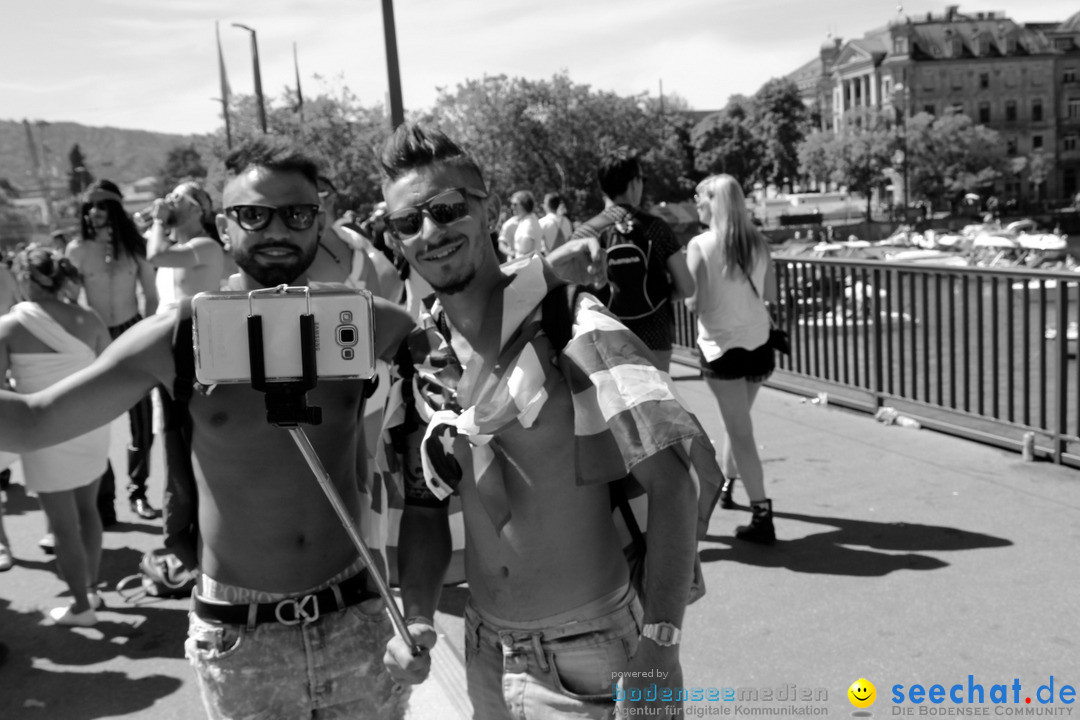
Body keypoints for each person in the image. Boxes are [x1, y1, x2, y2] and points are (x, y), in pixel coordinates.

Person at [0, 137, 415, 719]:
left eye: (296, 214)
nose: (276, 229)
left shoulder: (361, 322)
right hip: (241, 638)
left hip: (356, 616)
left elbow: (467, 368)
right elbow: (34, 420)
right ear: (224, 226)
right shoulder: (176, 337)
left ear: (317, 223)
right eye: (253, 214)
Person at [379, 124, 703, 719]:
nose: (431, 233)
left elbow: (674, 478)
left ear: (488, 210)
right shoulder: (421, 353)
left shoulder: (570, 317)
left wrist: (662, 643)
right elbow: (425, 507)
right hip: (485, 651)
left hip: (595, 654)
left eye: (447, 209)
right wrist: (419, 617)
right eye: (408, 223)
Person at [0, 247, 112, 623]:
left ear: (27, 279)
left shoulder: (9, 327)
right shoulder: (89, 318)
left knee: (63, 527)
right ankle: (92, 591)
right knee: (88, 511)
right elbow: (109, 372)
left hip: (43, 432)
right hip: (90, 424)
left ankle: (81, 607)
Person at [685, 174, 777, 544]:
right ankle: (728, 487)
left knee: (739, 428)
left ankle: (762, 514)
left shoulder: (700, 245)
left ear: (713, 201)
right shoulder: (759, 243)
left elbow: (698, 303)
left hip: (721, 349)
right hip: (758, 345)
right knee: (738, 424)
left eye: (699, 197)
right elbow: (769, 294)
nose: (696, 203)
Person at [551, 147, 694, 372]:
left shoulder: (584, 234)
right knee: (658, 402)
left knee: (609, 405)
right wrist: (660, 295)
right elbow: (687, 287)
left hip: (604, 338)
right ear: (634, 182)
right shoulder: (657, 229)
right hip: (654, 338)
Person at [67, 180, 160, 523]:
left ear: (115, 210)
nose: (94, 213)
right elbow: (69, 301)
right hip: (93, 339)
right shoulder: (77, 250)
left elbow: (150, 296)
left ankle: (139, 491)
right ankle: (102, 500)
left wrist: (147, 335)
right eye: (89, 207)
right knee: (91, 421)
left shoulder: (135, 247)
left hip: (131, 332)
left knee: (141, 422)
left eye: (102, 206)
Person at [146, 180, 226, 306]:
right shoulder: (173, 249)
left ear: (197, 210)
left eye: (177, 198)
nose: (169, 202)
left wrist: (159, 221)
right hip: (167, 323)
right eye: (170, 196)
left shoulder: (208, 246)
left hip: (189, 325)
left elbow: (155, 256)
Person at [497, 190, 543, 260]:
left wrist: (514, 254)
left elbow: (524, 250)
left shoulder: (528, 224)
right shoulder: (529, 220)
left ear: (524, 204)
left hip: (526, 267)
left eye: (515, 204)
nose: (512, 207)